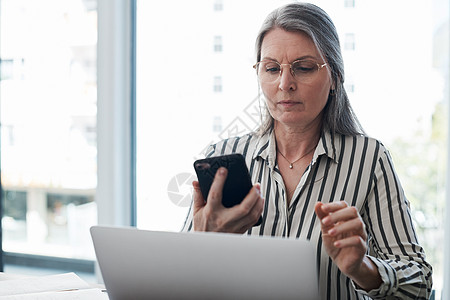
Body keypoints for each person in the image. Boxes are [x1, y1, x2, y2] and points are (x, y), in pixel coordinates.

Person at [182, 2, 433, 299]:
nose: (285, 84)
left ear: (335, 79)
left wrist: (363, 269)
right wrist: (201, 245)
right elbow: (180, 284)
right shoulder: (221, 157)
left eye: (303, 68)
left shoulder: (369, 159)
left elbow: (421, 285)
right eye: (272, 68)